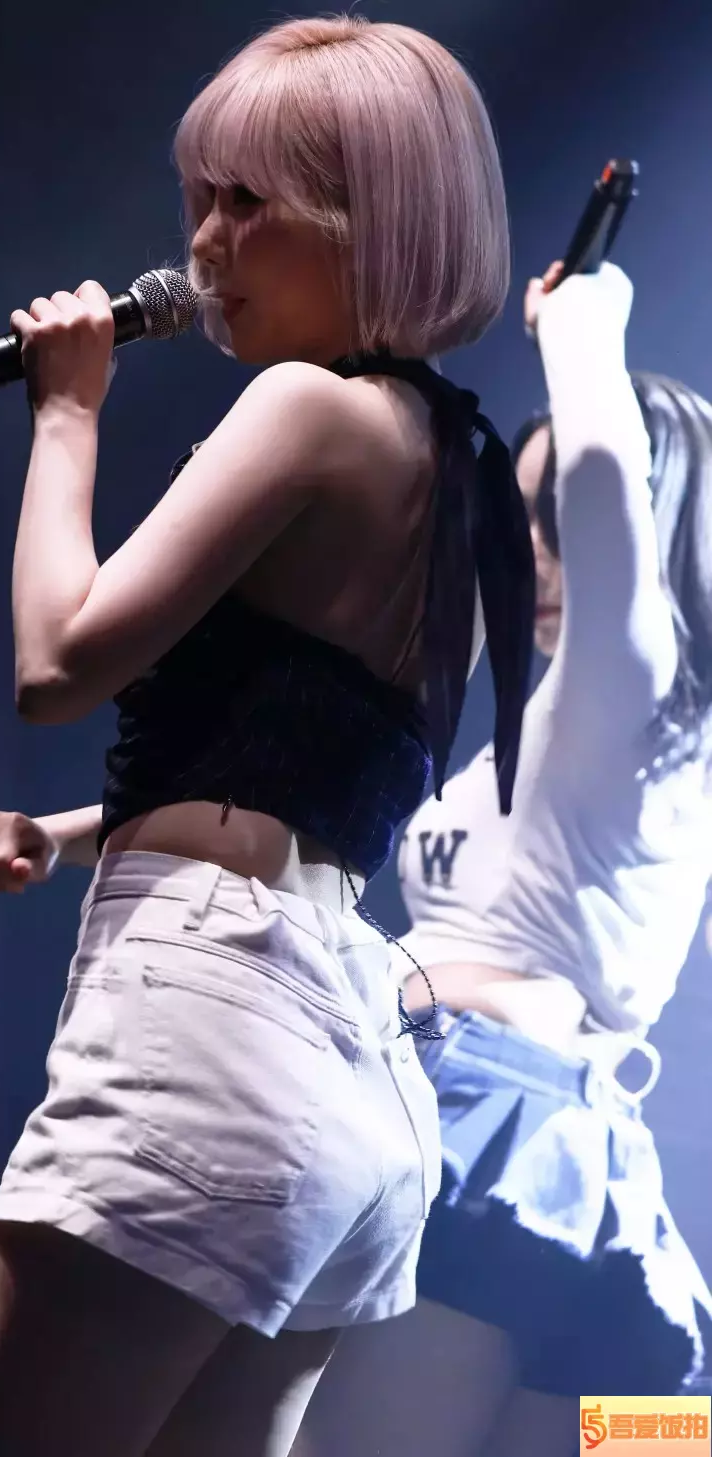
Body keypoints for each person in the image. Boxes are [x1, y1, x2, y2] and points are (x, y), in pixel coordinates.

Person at [0, 15, 535, 1457]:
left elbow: (56, 662)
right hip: (351, 1083)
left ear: (378, 219)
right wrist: (68, 831)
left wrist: (66, 415)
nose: (203, 242)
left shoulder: (306, 411)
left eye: (249, 201)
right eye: (200, 196)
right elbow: (312, 771)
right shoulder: (463, 472)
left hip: (212, 1034)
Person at [295, 260, 712, 1457]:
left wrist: (580, 328)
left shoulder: (625, 691)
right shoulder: (581, 731)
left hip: (494, 1142)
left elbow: (606, 496)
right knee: (645, 1430)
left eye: (548, 519)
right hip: (552, 1170)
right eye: (511, 520)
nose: (521, 550)